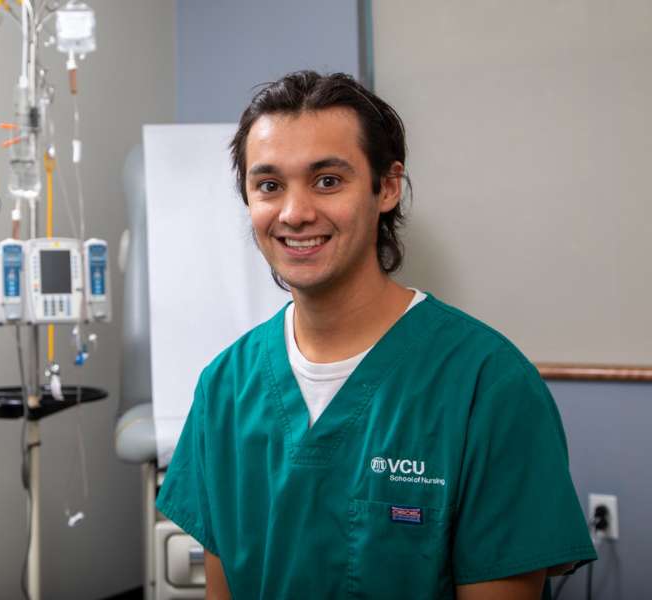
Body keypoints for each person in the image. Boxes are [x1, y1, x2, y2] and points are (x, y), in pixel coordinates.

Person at [156, 71, 596, 599]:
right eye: (269, 185)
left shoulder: (487, 386)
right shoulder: (225, 387)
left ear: (386, 187)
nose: (295, 213)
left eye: (327, 180)